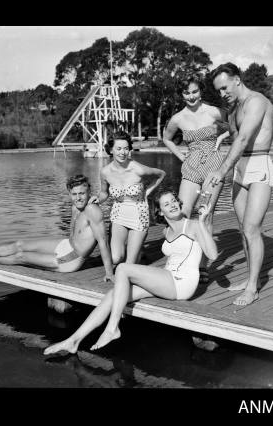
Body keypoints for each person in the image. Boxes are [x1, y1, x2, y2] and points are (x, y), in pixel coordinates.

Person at [43, 188, 219, 355]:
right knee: (114, 294)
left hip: (182, 283)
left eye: (174, 201)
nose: (173, 205)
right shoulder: (166, 231)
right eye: (166, 204)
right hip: (169, 280)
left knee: (123, 268)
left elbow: (212, 254)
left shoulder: (193, 225)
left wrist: (203, 222)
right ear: (159, 212)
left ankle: (112, 328)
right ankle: (74, 340)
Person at [204, 62, 273, 306]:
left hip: (258, 167)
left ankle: (253, 288)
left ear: (237, 79)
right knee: (244, 231)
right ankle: (249, 279)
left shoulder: (256, 101)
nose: (223, 94)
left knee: (251, 230)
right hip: (240, 171)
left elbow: (245, 138)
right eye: (219, 91)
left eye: (224, 87)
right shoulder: (234, 108)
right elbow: (235, 135)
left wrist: (220, 171)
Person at [0, 174, 114, 282]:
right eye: (74, 194)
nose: (78, 198)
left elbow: (103, 242)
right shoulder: (75, 207)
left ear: (89, 192)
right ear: (69, 193)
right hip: (66, 245)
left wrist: (109, 273)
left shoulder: (92, 210)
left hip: (71, 259)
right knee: (19, 244)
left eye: (82, 193)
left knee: (21, 256)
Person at [162, 75, 230, 280]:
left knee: (205, 214)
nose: (191, 97)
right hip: (191, 165)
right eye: (186, 93)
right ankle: (178, 257)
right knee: (181, 213)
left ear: (200, 91)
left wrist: (221, 136)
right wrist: (178, 153)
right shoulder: (177, 118)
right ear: (182, 95)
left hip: (213, 165)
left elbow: (237, 125)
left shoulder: (214, 111)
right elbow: (166, 138)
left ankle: (201, 266)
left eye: (195, 92)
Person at [91, 131, 165, 266]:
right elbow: (104, 193)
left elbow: (161, 174)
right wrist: (97, 199)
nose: (122, 152)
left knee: (130, 265)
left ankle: (137, 252)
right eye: (118, 148)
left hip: (139, 215)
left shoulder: (138, 169)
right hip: (118, 215)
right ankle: (136, 250)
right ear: (111, 150)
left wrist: (147, 192)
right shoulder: (105, 172)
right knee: (115, 259)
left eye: (126, 148)